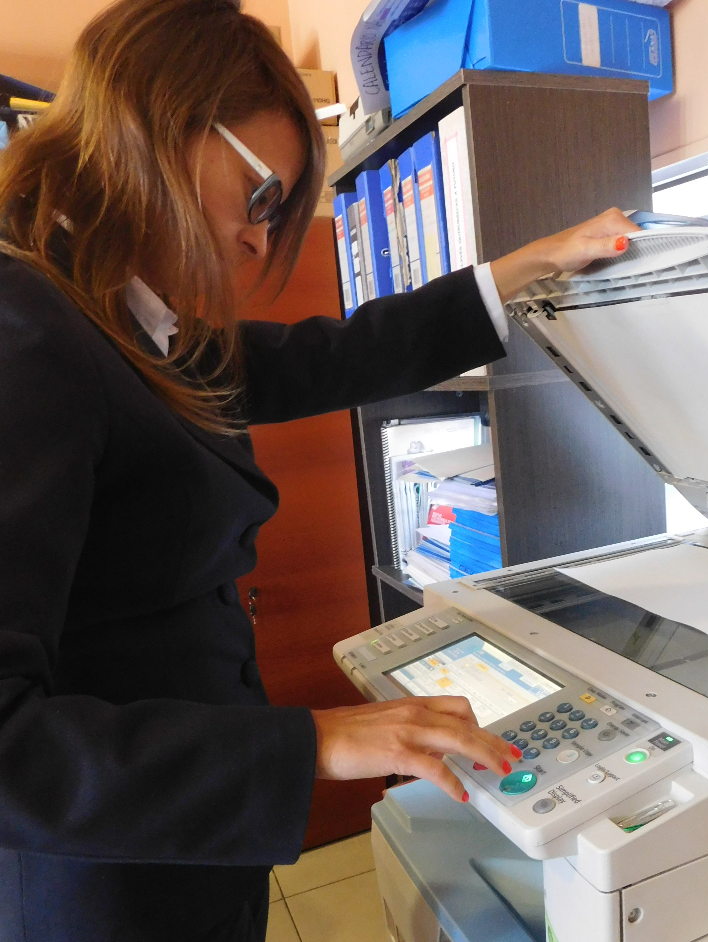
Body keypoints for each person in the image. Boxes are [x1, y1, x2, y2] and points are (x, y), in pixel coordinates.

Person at [0, 0, 638, 939]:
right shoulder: (26, 328)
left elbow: (327, 357)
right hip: (102, 886)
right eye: (260, 196)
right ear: (159, 121)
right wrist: (315, 744)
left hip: (195, 837)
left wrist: (521, 269)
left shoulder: (128, 320)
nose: (260, 242)